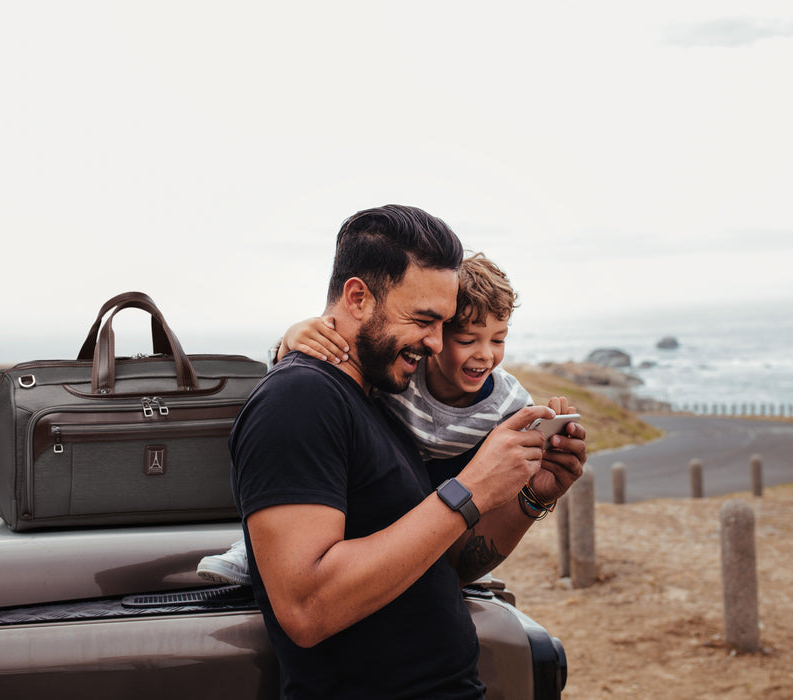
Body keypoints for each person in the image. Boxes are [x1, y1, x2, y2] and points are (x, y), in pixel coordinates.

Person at [229, 205, 586, 698]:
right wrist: (471, 487)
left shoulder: (378, 400)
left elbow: (444, 560)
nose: (437, 343)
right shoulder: (300, 399)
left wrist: (530, 498)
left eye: (444, 324)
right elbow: (308, 608)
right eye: (423, 319)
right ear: (357, 297)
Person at [199, 253, 543, 586]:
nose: (485, 354)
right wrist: (289, 342)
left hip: (443, 493)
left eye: (499, 340)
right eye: (468, 340)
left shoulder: (507, 402)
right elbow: (318, 372)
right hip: (378, 485)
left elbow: (517, 455)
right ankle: (257, 553)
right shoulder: (403, 370)